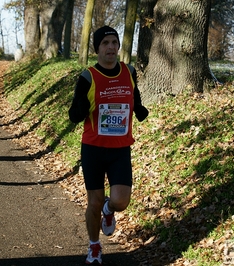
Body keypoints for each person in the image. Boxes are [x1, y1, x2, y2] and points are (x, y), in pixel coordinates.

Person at [68, 26, 149, 265]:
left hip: (120, 149)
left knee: (121, 201)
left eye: (114, 42)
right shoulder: (88, 77)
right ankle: (94, 246)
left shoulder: (129, 71)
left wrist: (139, 108)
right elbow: (74, 113)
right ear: (97, 49)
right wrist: (82, 109)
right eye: (105, 43)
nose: (111, 47)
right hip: (93, 148)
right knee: (92, 201)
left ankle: (109, 208)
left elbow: (134, 96)